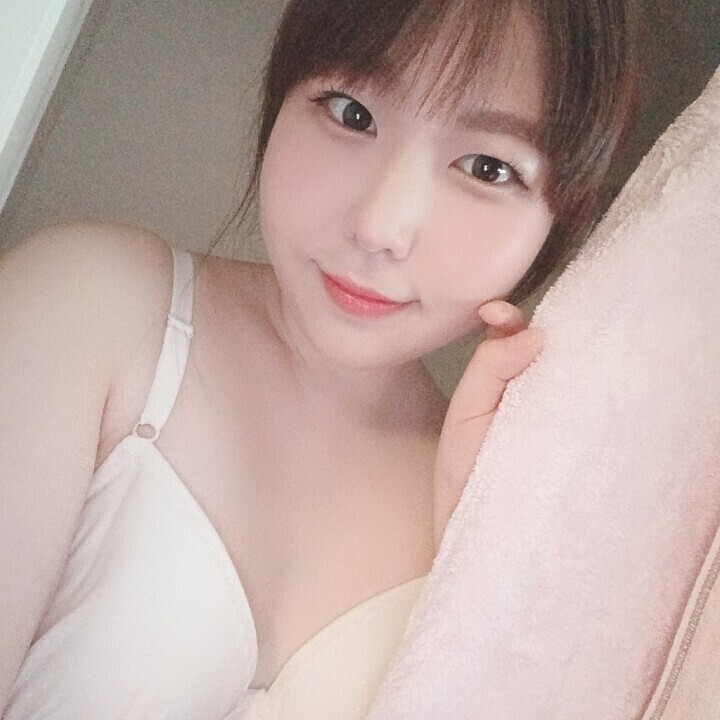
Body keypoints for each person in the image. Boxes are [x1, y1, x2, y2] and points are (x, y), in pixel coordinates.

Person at [0, 0, 635, 717]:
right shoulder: (85, 305)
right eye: (351, 112)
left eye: (487, 167)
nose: (379, 226)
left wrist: (479, 559)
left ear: (561, 222)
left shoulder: (494, 521)